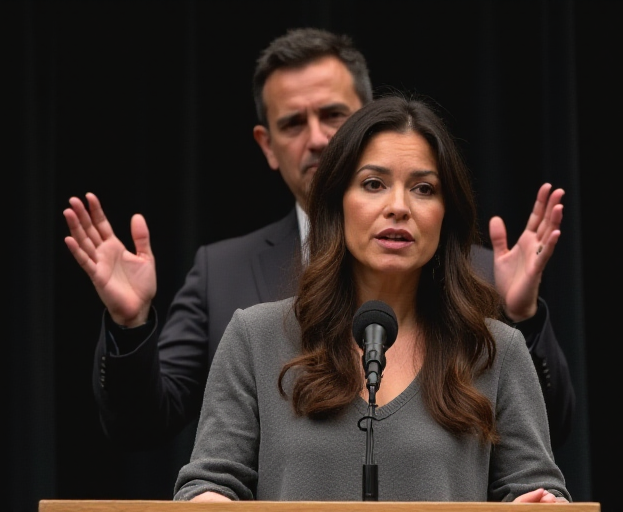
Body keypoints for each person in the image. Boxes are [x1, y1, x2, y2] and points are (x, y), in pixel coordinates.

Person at [62, 27, 574, 453]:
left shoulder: (479, 272)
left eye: (333, 115)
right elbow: (140, 426)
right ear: (267, 145)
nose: (318, 139)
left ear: (369, 119)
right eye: (293, 124)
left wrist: (523, 318)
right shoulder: (223, 273)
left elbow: (544, 439)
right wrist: (129, 326)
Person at [173, 95, 570, 502]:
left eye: (423, 188)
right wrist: (208, 500)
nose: (398, 207)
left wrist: (541, 504)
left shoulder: (495, 350)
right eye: (373, 184)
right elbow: (208, 484)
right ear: (337, 203)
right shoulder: (255, 338)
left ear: (446, 213)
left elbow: (538, 490)